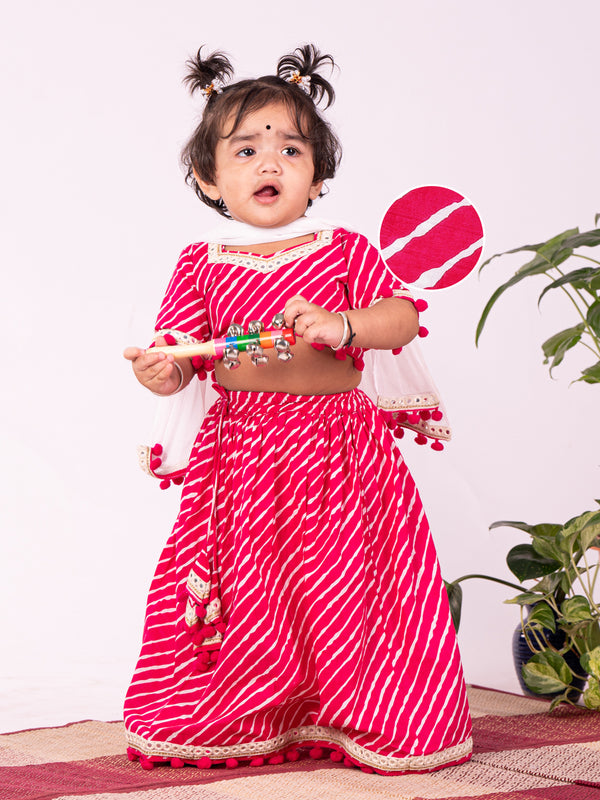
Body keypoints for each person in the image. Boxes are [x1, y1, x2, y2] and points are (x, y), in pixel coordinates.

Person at [122, 44, 472, 776]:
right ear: (208, 178)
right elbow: (179, 357)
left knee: (351, 583)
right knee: (252, 584)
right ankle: (257, 710)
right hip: (241, 458)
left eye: (290, 148)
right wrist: (160, 370)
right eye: (245, 149)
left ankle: (366, 711)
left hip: (340, 452)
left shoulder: (344, 250)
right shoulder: (200, 264)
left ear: (319, 174)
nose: (269, 163)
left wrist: (346, 326)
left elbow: (400, 319)